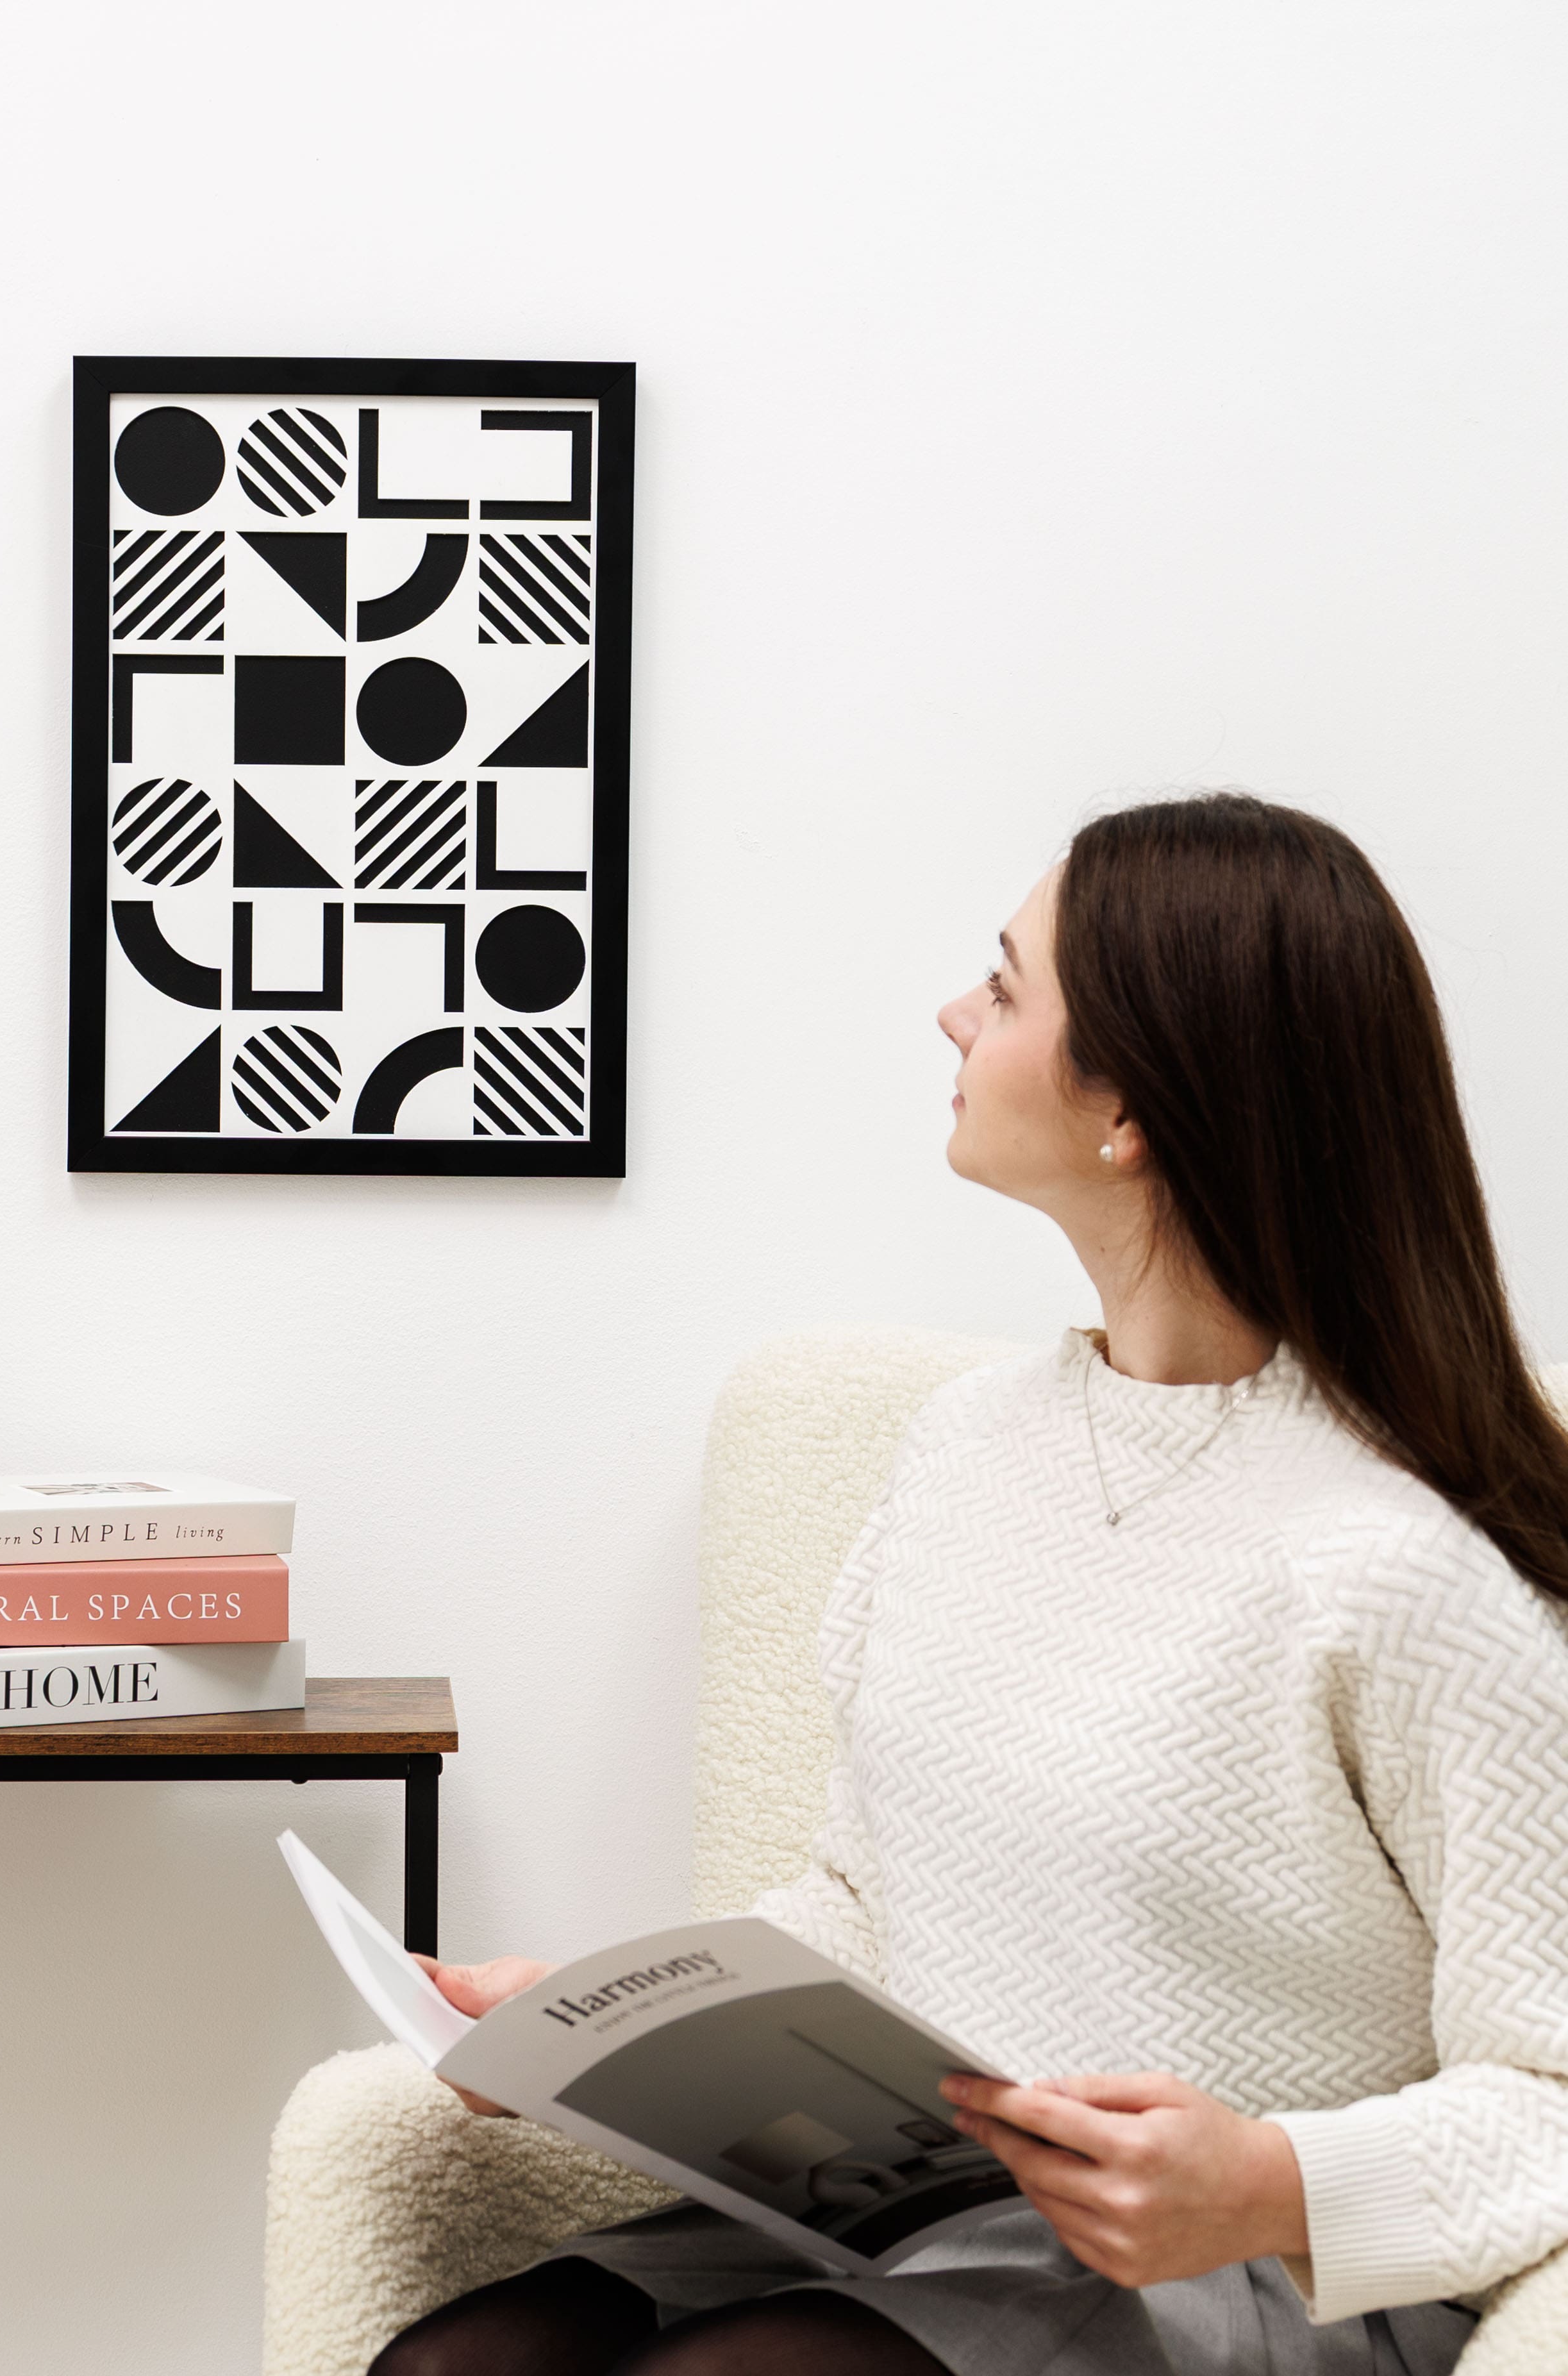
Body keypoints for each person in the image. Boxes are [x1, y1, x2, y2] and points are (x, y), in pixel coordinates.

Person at [372, 793, 1568, 2376]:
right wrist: (584, 2016)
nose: (951, 1008)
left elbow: (1547, 2087)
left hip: (1250, 2278)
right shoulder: (960, 1449)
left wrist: (1269, 2179)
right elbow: (869, 1905)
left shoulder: (1411, 1563)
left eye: (1001, 986)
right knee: (457, 2365)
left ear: (1127, 1108)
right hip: (910, 2220)